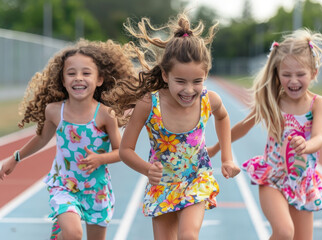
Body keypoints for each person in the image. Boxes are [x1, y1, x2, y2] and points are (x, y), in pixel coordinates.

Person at [108, 12, 241, 239]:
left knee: (188, 235)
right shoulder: (149, 104)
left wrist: (227, 157)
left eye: (197, 81)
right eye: (180, 81)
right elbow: (125, 150)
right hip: (163, 185)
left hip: (196, 178)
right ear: (165, 75)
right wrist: (147, 169)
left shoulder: (209, 100)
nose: (189, 90)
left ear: (206, 75)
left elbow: (223, 117)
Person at [0, 39, 139, 240]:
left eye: (86, 73)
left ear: (99, 79)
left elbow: (121, 152)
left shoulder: (105, 114)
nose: (78, 78)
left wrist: (101, 159)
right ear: (63, 80)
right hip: (64, 185)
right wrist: (16, 157)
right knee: (74, 233)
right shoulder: (55, 111)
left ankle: (59, 231)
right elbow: (41, 139)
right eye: (71, 73)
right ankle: (63, 227)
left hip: (97, 190)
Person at [208, 28, 322, 239]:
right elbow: (243, 126)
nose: (293, 81)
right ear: (277, 74)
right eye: (286, 75)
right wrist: (215, 148)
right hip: (273, 177)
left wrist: (306, 145)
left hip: (302, 181)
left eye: (300, 74)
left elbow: (319, 138)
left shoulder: (318, 104)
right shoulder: (274, 101)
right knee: (285, 232)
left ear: (314, 73)